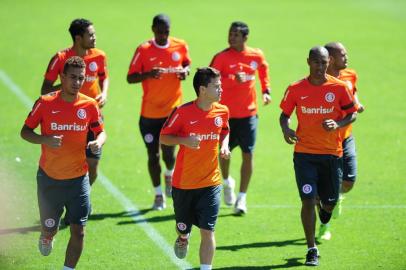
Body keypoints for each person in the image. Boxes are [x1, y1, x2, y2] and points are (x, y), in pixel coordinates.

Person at [21, 56, 106, 270]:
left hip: (78, 179)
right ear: (62, 77)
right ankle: (47, 235)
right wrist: (45, 139)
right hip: (50, 179)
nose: (77, 82)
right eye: (73, 78)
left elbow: (101, 131)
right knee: (50, 227)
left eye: (81, 78)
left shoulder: (89, 105)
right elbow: (25, 132)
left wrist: (98, 141)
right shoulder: (45, 102)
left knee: (79, 230)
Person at [279, 46, 358, 266]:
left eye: (324, 63)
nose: (320, 67)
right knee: (307, 200)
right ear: (308, 62)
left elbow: (351, 114)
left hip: (332, 154)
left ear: (328, 62)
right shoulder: (295, 88)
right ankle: (311, 248)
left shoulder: (340, 87)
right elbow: (284, 115)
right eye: (316, 62)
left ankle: (326, 211)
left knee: (329, 203)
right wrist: (286, 129)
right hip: (304, 154)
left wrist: (338, 123)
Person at [160, 67, 230, 270]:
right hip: (184, 184)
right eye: (216, 86)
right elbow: (164, 137)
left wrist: (224, 145)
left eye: (221, 85)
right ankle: (183, 236)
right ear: (202, 89)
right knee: (183, 226)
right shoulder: (182, 112)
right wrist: (184, 140)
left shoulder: (222, 111)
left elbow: (224, 130)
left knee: (208, 231)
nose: (221, 90)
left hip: (211, 182)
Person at [127, 13, 191, 210]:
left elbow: (186, 63)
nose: (163, 35)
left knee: (169, 154)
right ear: (152, 29)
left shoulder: (179, 45)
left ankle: (169, 176)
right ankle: (157, 195)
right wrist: (148, 74)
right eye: (160, 31)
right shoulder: (144, 49)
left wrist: (185, 72)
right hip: (149, 115)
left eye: (167, 32)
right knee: (152, 155)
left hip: (172, 113)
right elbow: (130, 77)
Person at [210, 21, 271, 214]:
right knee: (224, 152)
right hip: (225, 115)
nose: (231, 37)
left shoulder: (256, 55)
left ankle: (242, 199)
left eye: (236, 35)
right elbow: (210, 80)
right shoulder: (221, 58)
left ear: (245, 38)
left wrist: (266, 91)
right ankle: (227, 182)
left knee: (248, 154)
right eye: (230, 34)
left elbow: (263, 69)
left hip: (248, 115)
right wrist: (230, 79)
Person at [41, 18, 109, 186]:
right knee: (68, 164)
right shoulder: (60, 58)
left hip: (92, 117)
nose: (95, 37)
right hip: (68, 120)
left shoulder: (99, 56)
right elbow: (44, 90)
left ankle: (82, 195)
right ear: (78, 38)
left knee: (92, 166)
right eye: (91, 35)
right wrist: (69, 82)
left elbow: (104, 77)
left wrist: (105, 93)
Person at [317, 42, 365, 240]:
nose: (347, 58)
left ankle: (338, 197)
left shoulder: (350, 75)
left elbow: (353, 94)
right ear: (332, 59)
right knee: (322, 191)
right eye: (343, 55)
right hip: (325, 142)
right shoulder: (320, 81)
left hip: (345, 136)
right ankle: (324, 227)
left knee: (348, 182)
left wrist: (357, 103)